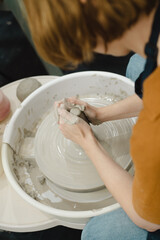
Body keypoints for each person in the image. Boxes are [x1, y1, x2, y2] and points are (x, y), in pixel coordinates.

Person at [23, 1, 160, 239]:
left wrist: (88, 142)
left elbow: (149, 220)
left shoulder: (151, 132)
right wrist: (102, 115)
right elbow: (153, 91)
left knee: (98, 233)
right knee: (138, 64)